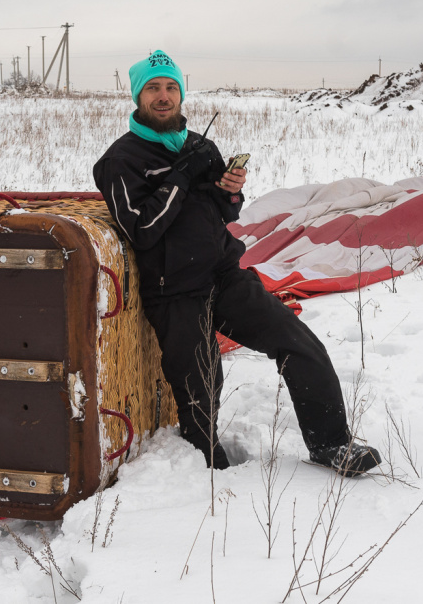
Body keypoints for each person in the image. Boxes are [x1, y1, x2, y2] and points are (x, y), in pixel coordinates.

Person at [92, 50, 381, 477]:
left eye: (171, 87)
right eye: (153, 88)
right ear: (137, 96)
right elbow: (141, 229)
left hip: (224, 275)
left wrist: (230, 190)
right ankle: (204, 465)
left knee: (301, 345)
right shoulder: (120, 160)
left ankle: (331, 445)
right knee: (200, 388)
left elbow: (226, 213)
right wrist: (181, 178)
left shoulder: (199, 146)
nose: (163, 96)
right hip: (174, 291)